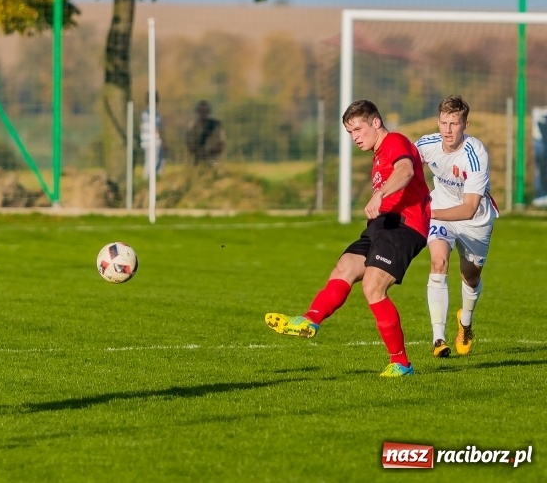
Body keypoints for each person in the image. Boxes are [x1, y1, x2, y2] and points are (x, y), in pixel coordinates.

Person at [265, 99, 431, 377]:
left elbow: (406, 170)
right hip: (382, 225)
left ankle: (401, 364)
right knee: (345, 267)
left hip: (404, 225)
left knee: (373, 286)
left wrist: (380, 194)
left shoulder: (395, 141)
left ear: (375, 122)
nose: (354, 137)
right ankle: (310, 319)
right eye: (350, 132)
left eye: (358, 129)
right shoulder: (378, 154)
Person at [415, 95, 498, 358]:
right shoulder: (426, 145)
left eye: (454, 123)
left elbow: (469, 208)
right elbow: (404, 166)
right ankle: (438, 338)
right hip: (440, 211)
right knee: (438, 261)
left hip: (474, 221)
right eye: (443, 123)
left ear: (465, 125)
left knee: (470, 277)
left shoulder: (475, 154)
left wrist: (427, 212)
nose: (448, 130)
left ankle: (465, 323)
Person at [185, 100, 225, 165]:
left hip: (213, 160)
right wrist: (198, 152)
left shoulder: (215, 126)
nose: (203, 113)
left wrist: (209, 151)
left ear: (209, 112)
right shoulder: (192, 127)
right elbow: (189, 145)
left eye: (205, 111)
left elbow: (221, 144)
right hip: (197, 161)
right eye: (201, 111)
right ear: (197, 112)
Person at [140, 91, 164, 178]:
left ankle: (150, 177)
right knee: (153, 161)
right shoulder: (151, 112)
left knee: (150, 160)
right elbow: (156, 127)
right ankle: (149, 178)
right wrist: (161, 139)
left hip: (147, 140)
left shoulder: (146, 112)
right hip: (153, 140)